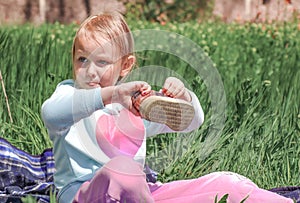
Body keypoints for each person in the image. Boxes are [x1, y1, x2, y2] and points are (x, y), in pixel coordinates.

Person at [41, 11, 293, 203]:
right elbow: (51, 113)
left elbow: (192, 123)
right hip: (81, 195)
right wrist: (112, 94)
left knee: (226, 184)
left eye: (102, 61)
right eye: (82, 59)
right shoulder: (70, 93)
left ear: (125, 66)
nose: (90, 71)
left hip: (137, 193)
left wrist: (182, 98)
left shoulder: (134, 102)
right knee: (123, 170)